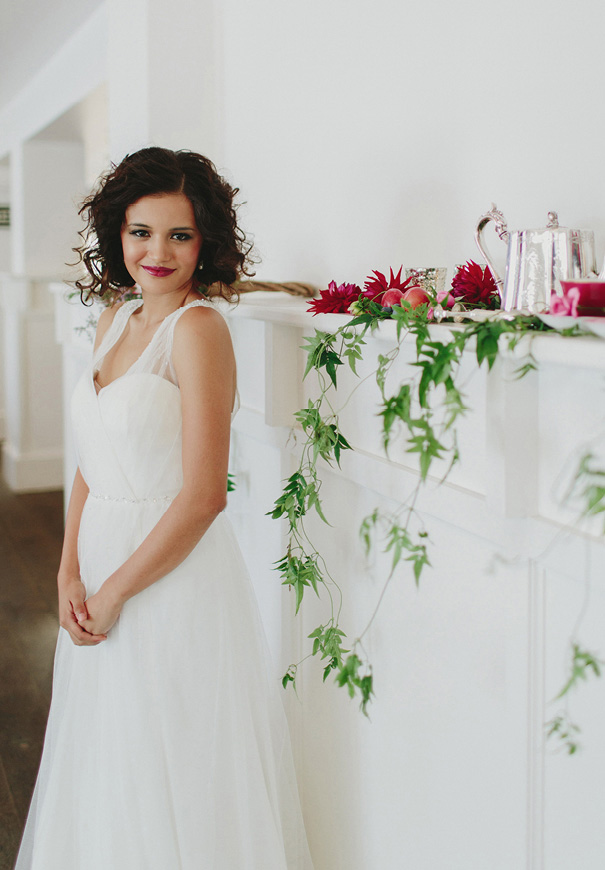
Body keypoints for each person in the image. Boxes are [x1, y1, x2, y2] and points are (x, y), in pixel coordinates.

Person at [15, 147, 314, 869]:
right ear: (117, 234)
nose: (157, 252)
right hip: (98, 562)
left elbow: (205, 495)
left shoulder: (200, 329)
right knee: (111, 760)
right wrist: (68, 570)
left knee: (173, 759)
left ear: (205, 239)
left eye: (179, 235)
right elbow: (93, 459)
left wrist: (115, 591)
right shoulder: (114, 320)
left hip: (167, 575)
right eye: (141, 232)